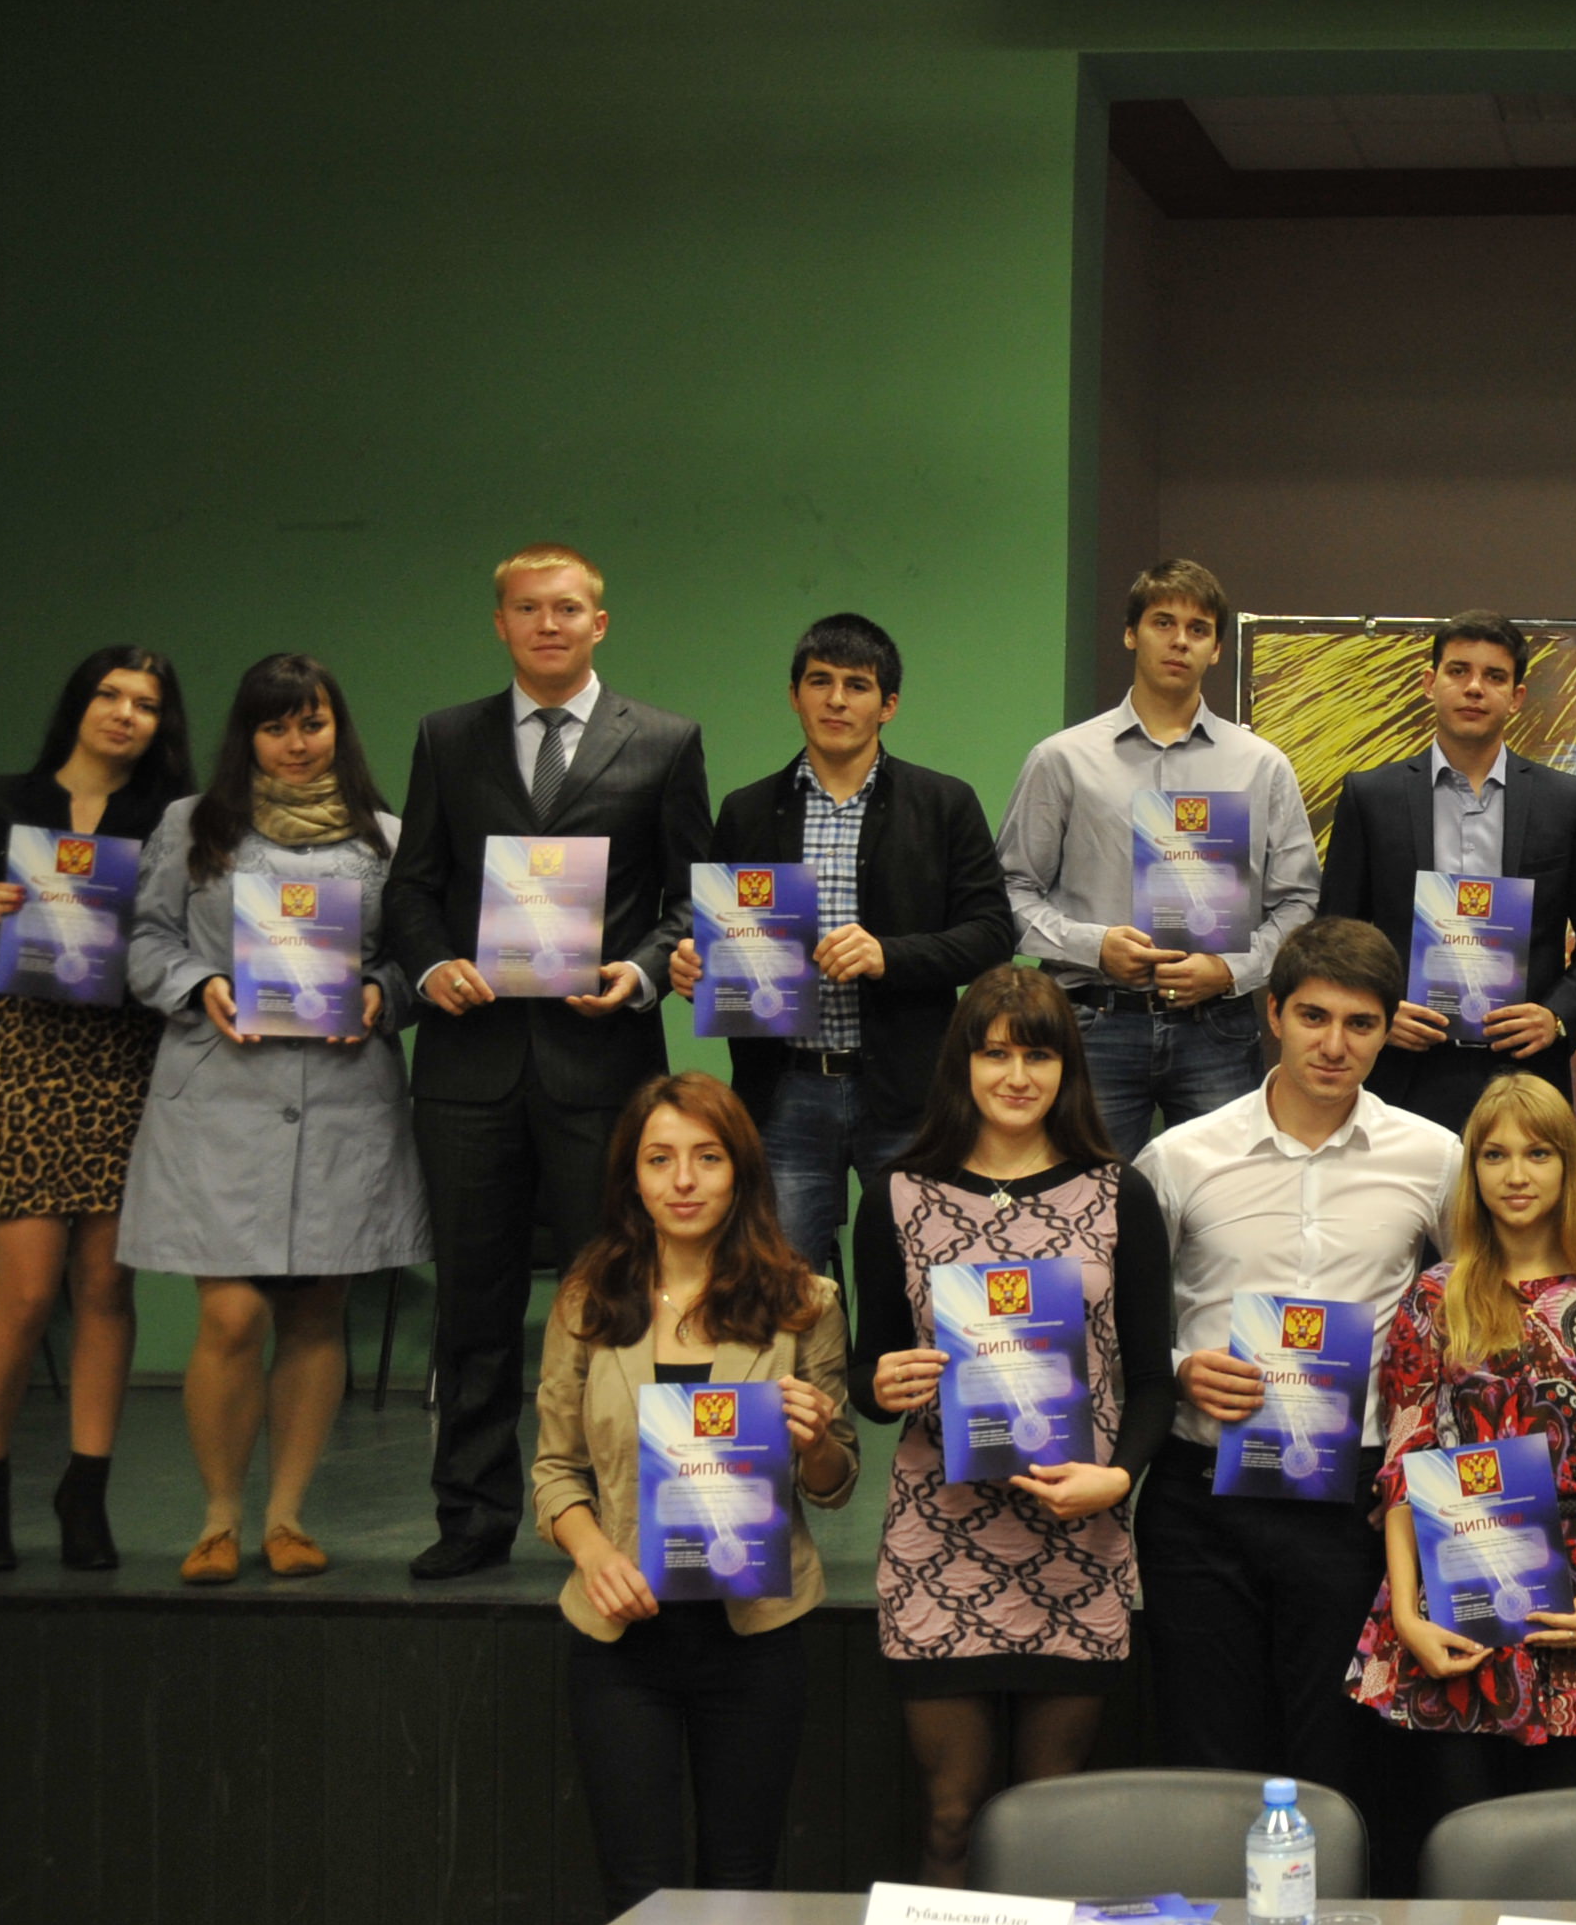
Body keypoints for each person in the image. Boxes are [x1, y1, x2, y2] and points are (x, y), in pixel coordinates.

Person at [386, 548, 712, 1580]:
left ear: (599, 623)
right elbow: (411, 887)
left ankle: (621, 1518)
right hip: (468, 1065)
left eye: (567, 608)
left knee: (617, 1300)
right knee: (472, 1304)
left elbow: (691, 895)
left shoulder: (664, 740)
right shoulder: (447, 738)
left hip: (602, 1064)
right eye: (528, 609)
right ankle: (472, 1515)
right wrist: (431, 965)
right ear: (501, 624)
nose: (549, 624)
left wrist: (643, 970)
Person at [1137, 919, 1459, 1842]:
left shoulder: (1434, 1156)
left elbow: (1472, 1311)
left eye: (1361, 1024)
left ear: (1389, 1030)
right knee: (1209, 1767)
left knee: (1338, 1767)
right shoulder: (1180, 1156)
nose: (1334, 1045)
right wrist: (1178, 1369)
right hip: (1202, 1494)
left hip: (1351, 1498)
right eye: (1314, 1017)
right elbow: (1119, 1323)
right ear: (1272, 1013)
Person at [850, 970, 1171, 1887]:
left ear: (1069, 1067)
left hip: (1078, 1537)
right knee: (951, 1815)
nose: (1017, 1075)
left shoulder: (1119, 1193)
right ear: (962, 1064)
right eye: (995, 1053)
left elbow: (1153, 1379)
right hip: (940, 1540)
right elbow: (866, 1375)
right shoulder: (898, 1194)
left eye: (1038, 1054)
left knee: (1047, 1826)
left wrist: (1120, 1477)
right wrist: (882, 1383)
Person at [116, 654, 429, 1585]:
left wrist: (381, 993)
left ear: (339, 729)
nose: (296, 744)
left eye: (312, 724)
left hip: (342, 1098)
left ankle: (287, 1516)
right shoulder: (193, 824)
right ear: (246, 736)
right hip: (220, 1100)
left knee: (318, 1312)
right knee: (231, 1314)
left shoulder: (389, 838)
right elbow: (146, 941)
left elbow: (417, 959)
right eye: (275, 726)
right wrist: (198, 982)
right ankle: (219, 1516)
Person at [530, 1074, 859, 1913]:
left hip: (754, 1635)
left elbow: (835, 1485)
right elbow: (555, 1471)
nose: (683, 1180)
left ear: (741, 1170)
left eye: (707, 1158)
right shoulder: (586, 1302)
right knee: (637, 1894)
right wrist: (593, 1554)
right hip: (621, 1638)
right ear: (632, 1177)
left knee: (741, 1890)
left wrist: (817, 1441)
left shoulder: (804, 1304)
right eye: (660, 1159)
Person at [0, 645, 192, 1574]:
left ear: (161, 724)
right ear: (78, 704)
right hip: (20, 1046)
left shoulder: (173, 820)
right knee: (26, 1290)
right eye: (109, 695)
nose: (124, 714)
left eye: (145, 703)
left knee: (106, 1286)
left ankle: (85, 1489)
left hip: (127, 1051)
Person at [1346, 1074, 1576, 1817]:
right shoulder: (1435, 1296)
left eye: (1538, 1153)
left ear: (1568, 1166)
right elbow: (1404, 1466)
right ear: (1473, 1171)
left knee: (1570, 1859)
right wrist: (1406, 1615)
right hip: (1453, 1606)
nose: (1516, 1175)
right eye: (1495, 1155)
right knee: (1459, 1849)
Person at [671, 612, 1015, 1280]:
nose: (836, 699)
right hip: (785, 1093)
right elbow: (718, 940)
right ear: (794, 694)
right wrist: (695, 966)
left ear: (888, 705)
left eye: (857, 685)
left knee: (926, 1279)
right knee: (784, 1288)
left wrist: (889, 956)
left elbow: (992, 934)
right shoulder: (746, 810)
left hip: (909, 1091)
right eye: (819, 681)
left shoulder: (943, 803)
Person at [997, 558, 1320, 1157]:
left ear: (1216, 649)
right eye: (1162, 622)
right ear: (1131, 634)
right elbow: (1009, 893)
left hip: (1217, 1026)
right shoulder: (1062, 760)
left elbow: (1299, 902)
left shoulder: (1261, 765)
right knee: (1088, 1197)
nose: (1179, 641)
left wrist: (1231, 969)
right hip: (1094, 1020)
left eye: (1198, 629)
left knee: (1226, 1198)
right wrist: (1093, 946)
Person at [1314, 610, 1576, 1133]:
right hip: (1399, 1069)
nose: (1475, 688)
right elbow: (1333, 936)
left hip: (1524, 1071)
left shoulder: (1567, 801)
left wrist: (1555, 1018)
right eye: (1458, 671)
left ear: (1517, 697)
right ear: (1429, 683)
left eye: (1494, 676)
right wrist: (1377, 1012)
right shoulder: (1370, 796)